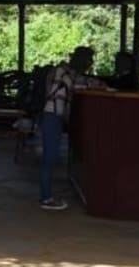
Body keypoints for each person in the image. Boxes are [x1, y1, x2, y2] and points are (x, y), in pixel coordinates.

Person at [39, 46, 103, 210]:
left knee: (50, 157)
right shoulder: (63, 73)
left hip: (53, 117)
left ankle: (46, 195)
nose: (90, 64)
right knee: (50, 158)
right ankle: (46, 198)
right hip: (51, 116)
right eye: (88, 61)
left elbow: (82, 81)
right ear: (80, 60)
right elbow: (79, 83)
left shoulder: (65, 72)